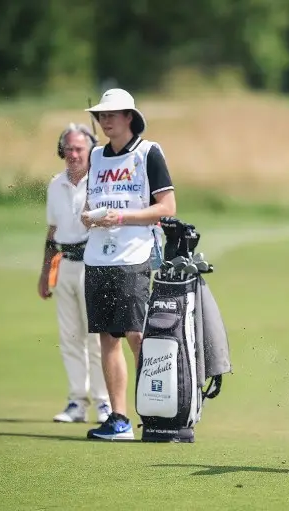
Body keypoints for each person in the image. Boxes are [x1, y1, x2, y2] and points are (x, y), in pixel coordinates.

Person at [81, 88, 176, 441]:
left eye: (112, 114)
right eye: (101, 115)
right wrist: (88, 217)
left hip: (134, 254)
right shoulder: (96, 155)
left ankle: (155, 412)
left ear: (129, 118)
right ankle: (119, 418)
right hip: (97, 255)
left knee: (137, 335)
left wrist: (121, 218)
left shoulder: (148, 152)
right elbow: (90, 204)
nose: (105, 120)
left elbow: (167, 207)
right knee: (108, 337)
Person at [38, 123, 111, 424]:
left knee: (96, 338)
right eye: (68, 148)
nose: (73, 154)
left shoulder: (100, 182)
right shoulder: (55, 184)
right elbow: (52, 231)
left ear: (91, 151)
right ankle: (76, 403)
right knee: (69, 337)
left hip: (91, 264)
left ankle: (104, 403)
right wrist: (45, 272)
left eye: (79, 148)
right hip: (64, 263)